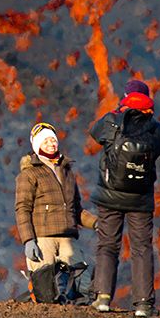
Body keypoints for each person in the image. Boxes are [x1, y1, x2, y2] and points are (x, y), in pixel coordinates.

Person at [89, 78, 160, 317]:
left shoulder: (112, 120)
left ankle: (102, 297)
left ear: (125, 97)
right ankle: (143, 303)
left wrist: (117, 112)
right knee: (142, 248)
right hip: (140, 197)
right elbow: (157, 152)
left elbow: (94, 133)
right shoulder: (154, 126)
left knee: (108, 245)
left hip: (110, 194)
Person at [15, 122, 97, 287]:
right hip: (42, 239)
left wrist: (97, 223)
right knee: (46, 289)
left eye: (53, 140)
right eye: (45, 141)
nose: (51, 144)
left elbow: (76, 209)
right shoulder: (29, 174)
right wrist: (28, 240)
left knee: (82, 284)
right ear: (37, 145)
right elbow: (22, 209)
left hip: (68, 239)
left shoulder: (67, 172)